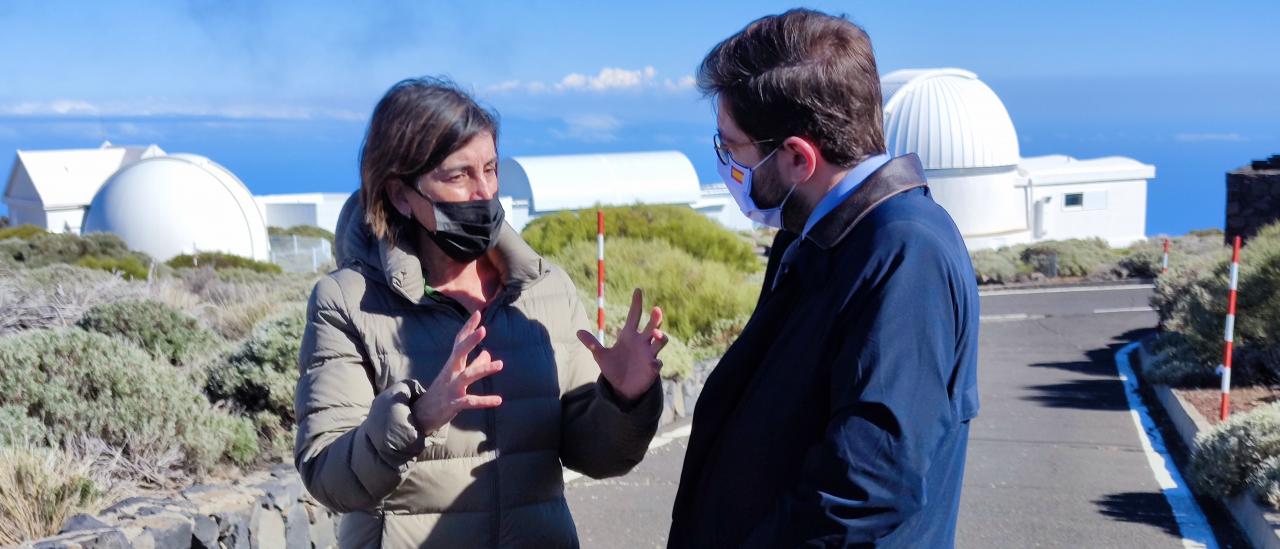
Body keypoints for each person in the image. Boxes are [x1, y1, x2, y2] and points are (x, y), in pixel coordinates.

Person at [293, 77, 667, 548]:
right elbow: (328, 476)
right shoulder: (348, 301)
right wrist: (419, 418)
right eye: (458, 175)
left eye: (490, 169)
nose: (483, 192)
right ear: (401, 194)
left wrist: (623, 399)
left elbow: (594, 455)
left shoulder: (543, 289)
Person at [668, 9, 980, 548]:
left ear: (796, 157)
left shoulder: (904, 253)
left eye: (731, 146)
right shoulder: (819, 234)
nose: (724, 164)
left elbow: (870, 482)